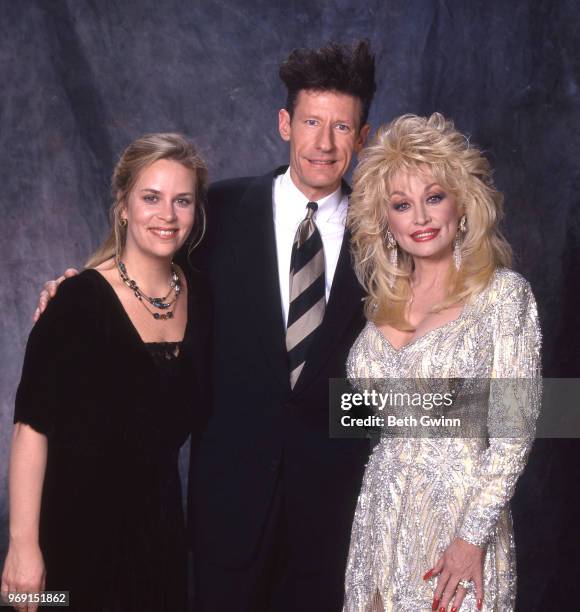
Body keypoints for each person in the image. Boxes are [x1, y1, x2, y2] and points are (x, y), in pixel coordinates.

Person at [34, 41, 376, 611]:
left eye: (343, 127)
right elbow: (145, 268)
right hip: (226, 514)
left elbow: (413, 362)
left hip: (333, 518)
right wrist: (79, 292)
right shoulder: (215, 212)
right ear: (285, 123)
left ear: (362, 138)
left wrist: (522, 410)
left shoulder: (387, 234)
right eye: (312, 121)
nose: (324, 142)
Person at [1, 133, 211, 611]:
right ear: (123, 206)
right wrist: (22, 546)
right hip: (71, 537)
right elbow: (31, 427)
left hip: (159, 537)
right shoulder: (76, 302)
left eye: (182, 201)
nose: (167, 215)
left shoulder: (204, 299)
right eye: (151, 198)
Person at [342, 113, 542, 611]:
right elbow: (370, 419)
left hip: (458, 525)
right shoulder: (377, 304)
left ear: (461, 203)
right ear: (385, 220)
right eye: (402, 205)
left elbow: (514, 431)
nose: (421, 218)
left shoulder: (503, 297)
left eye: (434, 197)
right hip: (378, 520)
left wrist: (471, 537)